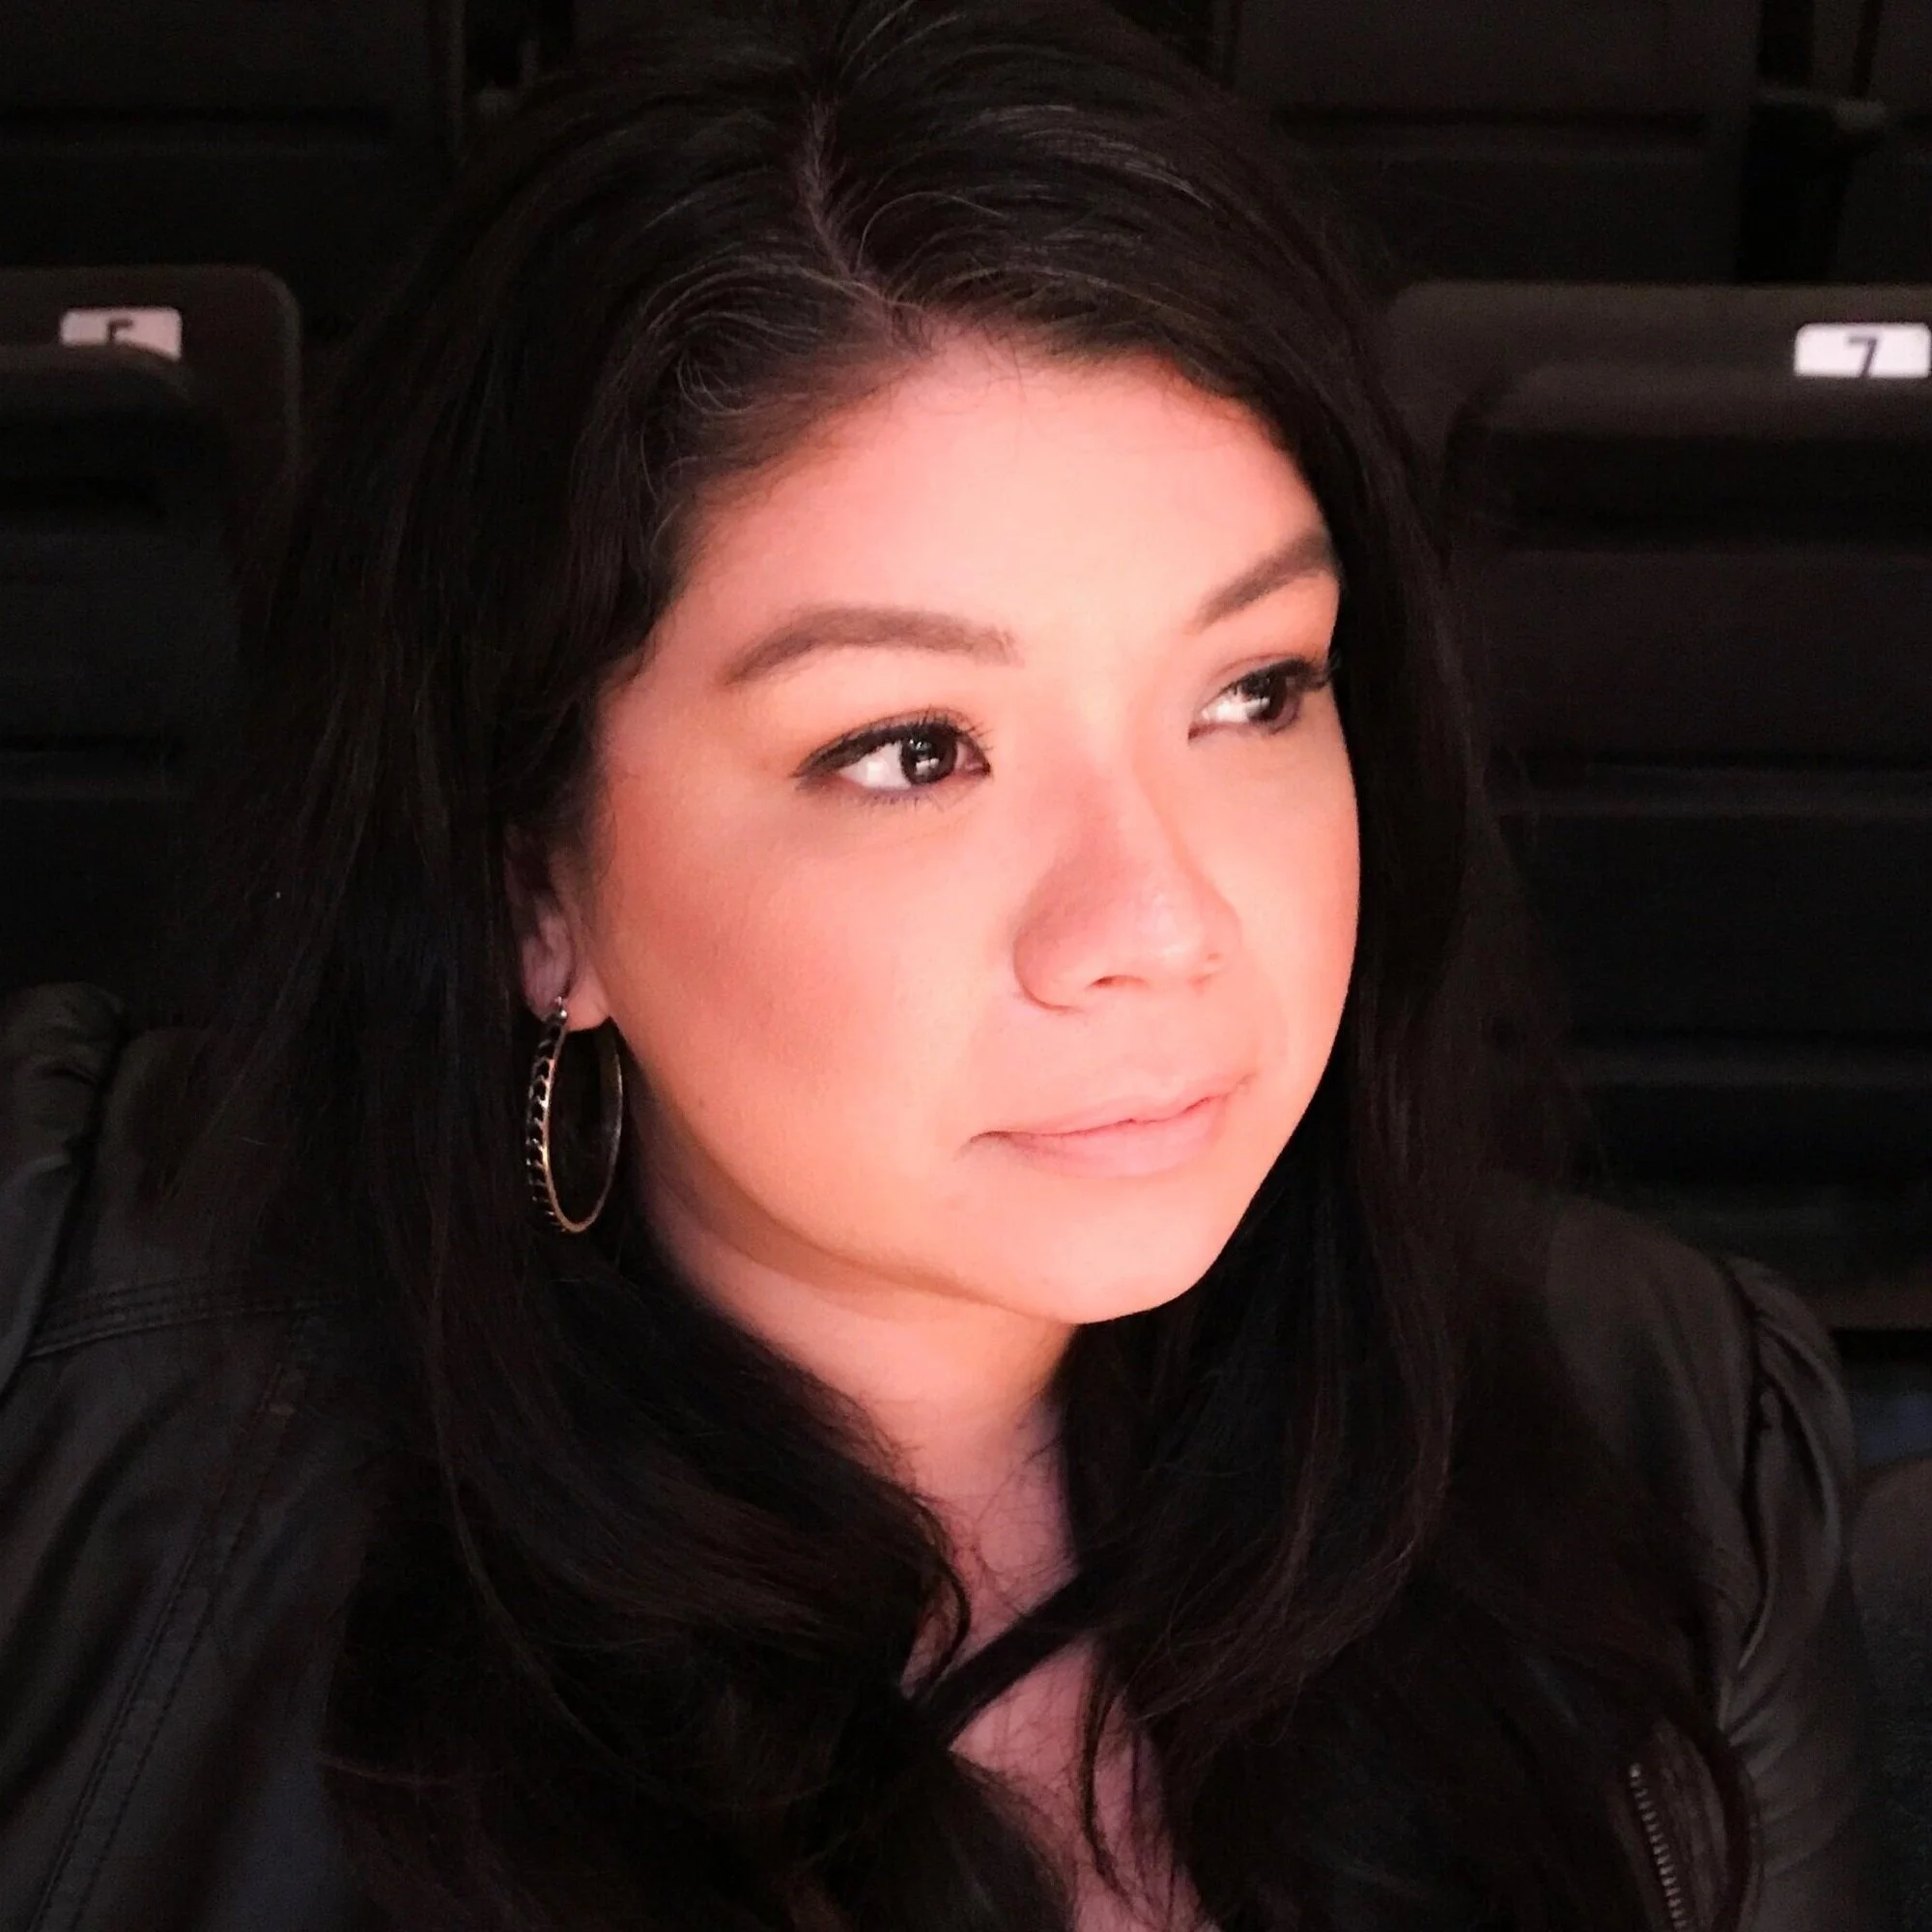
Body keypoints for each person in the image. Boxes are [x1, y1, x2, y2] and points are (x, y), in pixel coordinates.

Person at [0, 2, 1897, 1928]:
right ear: (532, 886)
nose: (1160, 925)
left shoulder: (1665, 1447)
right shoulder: (58, 1388)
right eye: (912, 750)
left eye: (1254, 690)